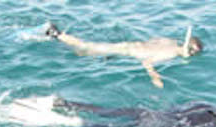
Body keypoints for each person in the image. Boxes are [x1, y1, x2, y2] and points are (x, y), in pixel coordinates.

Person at [45, 23, 203, 88]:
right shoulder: (170, 53)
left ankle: (59, 38)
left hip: (129, 46)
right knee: (84, 47)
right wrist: (155, 77)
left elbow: (151, 41)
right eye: (192, 53)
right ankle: (56, 34)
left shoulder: (170, 41)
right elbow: (147, 62)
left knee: (85, 52)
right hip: (126, 51)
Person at [52, 97, 216, 127]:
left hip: (151, 112)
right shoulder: (210, 124)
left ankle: (65, 103)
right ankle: (76, 122)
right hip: (158, 122)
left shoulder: (208, 104)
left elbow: (183, 106)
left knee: (106, 110)